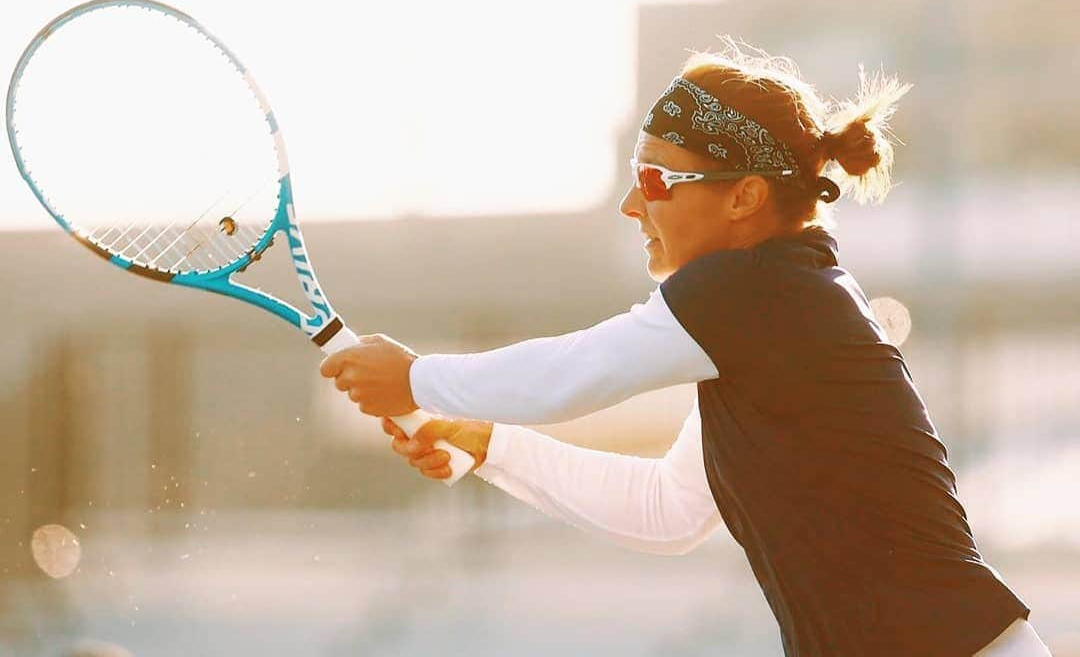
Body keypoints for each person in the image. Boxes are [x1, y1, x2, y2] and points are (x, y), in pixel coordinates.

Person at [320, 42, 1051, 657]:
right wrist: (490, 444)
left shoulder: (754, 290)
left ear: (745, 197)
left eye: (654, 180)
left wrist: (415, 377)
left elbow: (578, 370)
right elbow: (665, 511)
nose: (632, 205)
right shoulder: (776, 310)